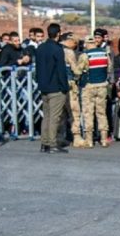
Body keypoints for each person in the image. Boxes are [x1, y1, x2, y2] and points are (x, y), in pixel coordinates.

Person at [34, 23, 70, 154]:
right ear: (58, 33)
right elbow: (61, 70)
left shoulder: (40, 48)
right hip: (56, 87)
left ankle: (45, 143)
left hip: (44, 87)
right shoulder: (57, 49)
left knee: (47, 116)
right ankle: (52, 144)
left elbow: (37, 69)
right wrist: (65, 87)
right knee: (55, 118)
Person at [81, 36, 114, 148]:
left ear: (86, 43)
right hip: (102, 86)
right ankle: (104, 139)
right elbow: (109, 68)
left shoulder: (85, 55)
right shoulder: (105, 53)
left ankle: (89, 140)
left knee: (88, 112)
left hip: (89, 86)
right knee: (101, 113)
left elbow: (79, 69)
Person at [60, 34, 89, 147]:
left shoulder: (54, 50)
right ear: (70, 41)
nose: (76, 46)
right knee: (74, 112)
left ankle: (59, 136)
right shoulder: (68, 52)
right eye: (75, 43)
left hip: (56, 85)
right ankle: (76, 137)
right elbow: (75, 70)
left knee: (59, 113)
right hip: (70, 85)